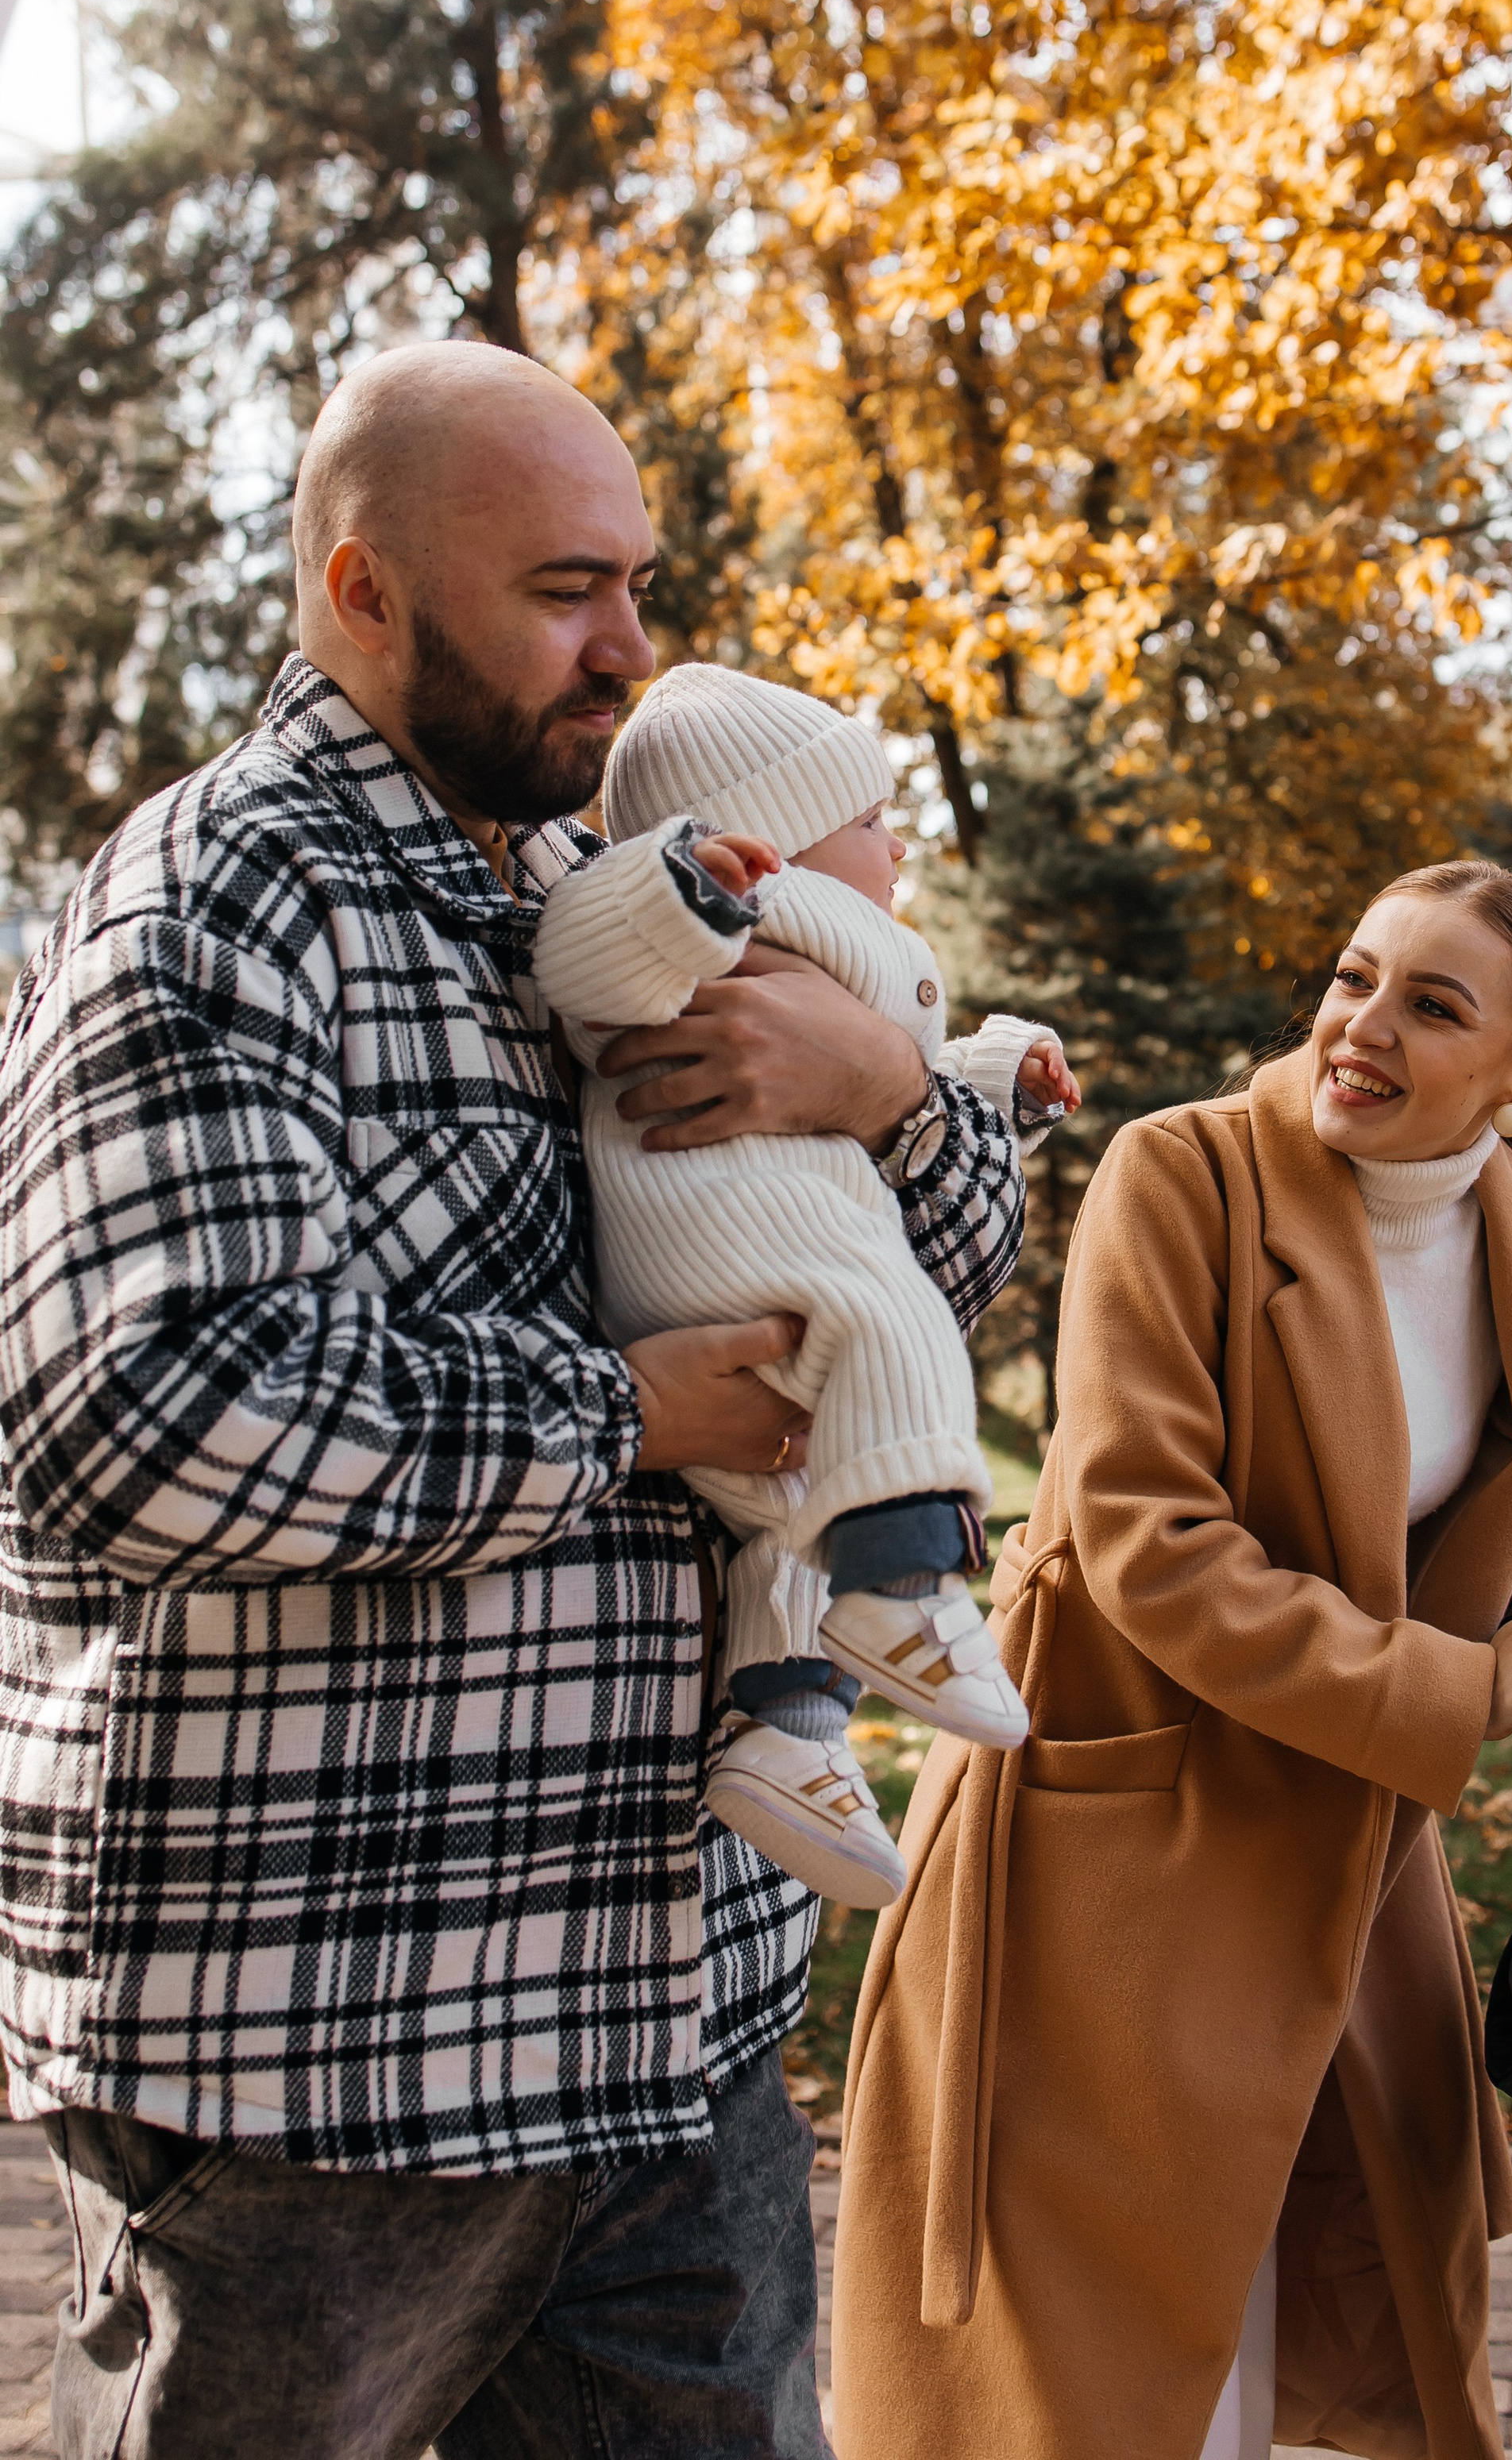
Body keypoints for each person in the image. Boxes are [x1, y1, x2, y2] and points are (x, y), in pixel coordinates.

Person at [0, 337, 1032, 2460]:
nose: (630, 652)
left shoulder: (602, 896)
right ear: (363, 592)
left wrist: (896, 1101)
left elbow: (878, 1296)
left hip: (667, 2020)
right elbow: (142, 1414)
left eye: (637, 587)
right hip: (331, 2064)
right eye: (569, 590)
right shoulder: (215, 899)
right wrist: (633, 1413)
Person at [831, 858, 1512, 2460]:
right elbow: (1149, 1545)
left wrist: (1490, 1611)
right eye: (1352, 977)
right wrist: (1452, 1694)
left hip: (1332, 1839)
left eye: (1430, 1004)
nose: (1360, 1025)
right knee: (1092, 2377)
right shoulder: (1179, 1176)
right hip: (1117, 1854)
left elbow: (1382, 1504)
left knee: (1266, 2327)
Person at [532, 657, 1079, 1907]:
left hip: (767, 1232)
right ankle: (905, 1590)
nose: (897, 850)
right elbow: (588, 955)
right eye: (875, 823)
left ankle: (787, 1733)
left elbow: (902, 1066)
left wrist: (1002, 1078)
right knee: (896, 1339)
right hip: (727, 1229)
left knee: (786, 1516)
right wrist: (682, 892)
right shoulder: (732, 906)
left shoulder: (830, 941)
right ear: (775, 835)